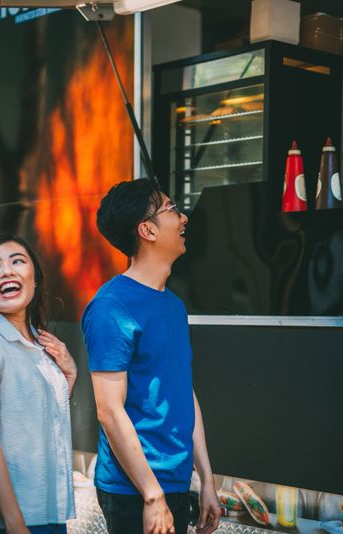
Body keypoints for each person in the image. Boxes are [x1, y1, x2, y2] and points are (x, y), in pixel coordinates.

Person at [82, 178, 221, 534]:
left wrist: (206, 478)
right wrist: (151, 496)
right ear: (147, 230)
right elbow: (109, 411)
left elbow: (183, 393)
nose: (183, 217)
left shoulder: (173, 306)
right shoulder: (111, 307)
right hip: (134, 488)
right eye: (172, 209)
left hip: (174, 481)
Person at [0, 234, 77, 534]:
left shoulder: (39, 341)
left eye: (17, 261)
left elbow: (39, 421)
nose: (7, 271)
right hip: (5, 520)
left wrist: (70, 375)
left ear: (35, 279)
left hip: (47, 510)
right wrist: (14, 523)